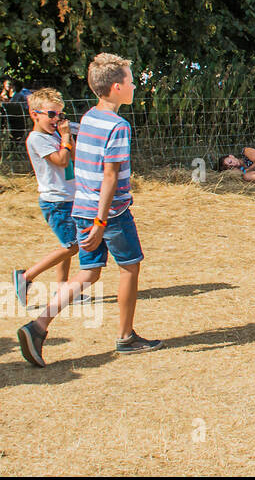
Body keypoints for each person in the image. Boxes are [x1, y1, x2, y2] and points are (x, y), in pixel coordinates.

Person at [18, 54, 161, 366]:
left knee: (90, 272)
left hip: (81, 207)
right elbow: (110, 176)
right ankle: (126, 337)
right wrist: (101, 220)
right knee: (130, 267)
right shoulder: (118, 126)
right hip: (110, 213)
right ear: (115, 87)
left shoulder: (90, 118)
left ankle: (38, 325)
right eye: (130, 80)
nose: (134, 84)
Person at [12, 89, 79, 309]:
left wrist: (67, 137)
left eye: (59, 115)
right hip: (55, 201)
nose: (56, 120)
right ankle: (26, 277)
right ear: (34, 114)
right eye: (51, 114)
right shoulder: (37, 139)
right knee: (72, 246)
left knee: (67, 243)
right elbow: (60, 160)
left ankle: (62, 288)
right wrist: (67, 138)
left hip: (69, 197)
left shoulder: (55, 135)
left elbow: (72, 157)